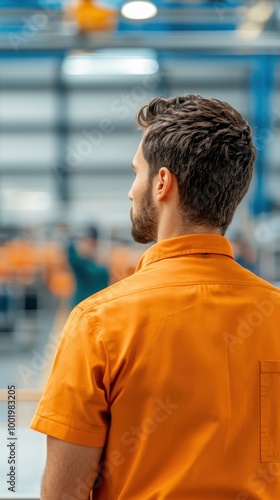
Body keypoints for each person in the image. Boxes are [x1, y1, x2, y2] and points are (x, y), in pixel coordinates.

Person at [30, 94, 280, 500]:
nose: (131, 191)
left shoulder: (98, 324)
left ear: (162, 183)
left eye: (136, 173)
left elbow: (63, 494)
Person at [66, 226, 110, 307]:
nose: (88, 244)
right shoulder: (80, 262)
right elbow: (70, 252)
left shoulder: (99, 262)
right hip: (82, 305)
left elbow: (103, 279)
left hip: (98, 305)